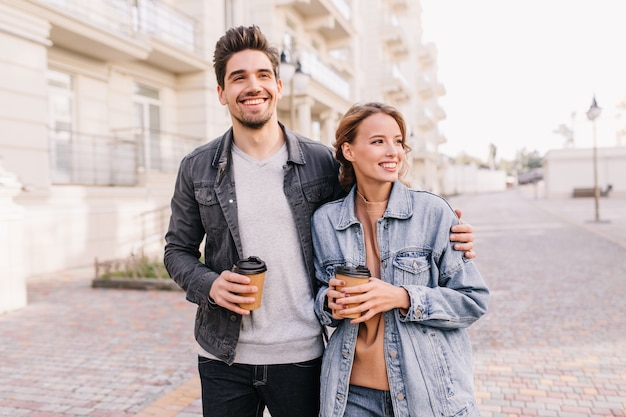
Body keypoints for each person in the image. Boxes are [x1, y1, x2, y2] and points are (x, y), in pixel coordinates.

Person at [164, 26, 476, 417]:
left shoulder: (319, 162)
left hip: (304, 354)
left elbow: (370, 200)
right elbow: (176, 250)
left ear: (278, 86)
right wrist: (210, 285)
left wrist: (443, 225)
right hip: (222, 356)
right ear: (221, 93)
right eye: (238, 77)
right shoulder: (197, 167)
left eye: (262, 75)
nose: (252, 86)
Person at [312, 102, 490, 417]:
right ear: (349, 151)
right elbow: (319, 296)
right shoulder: (325, 221)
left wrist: (402, 297)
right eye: (378, 141)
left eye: (398, 141)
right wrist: (330, 303)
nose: (393, 151)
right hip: (350, 397)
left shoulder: (433, 213)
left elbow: (473, 300)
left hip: (426, 393)